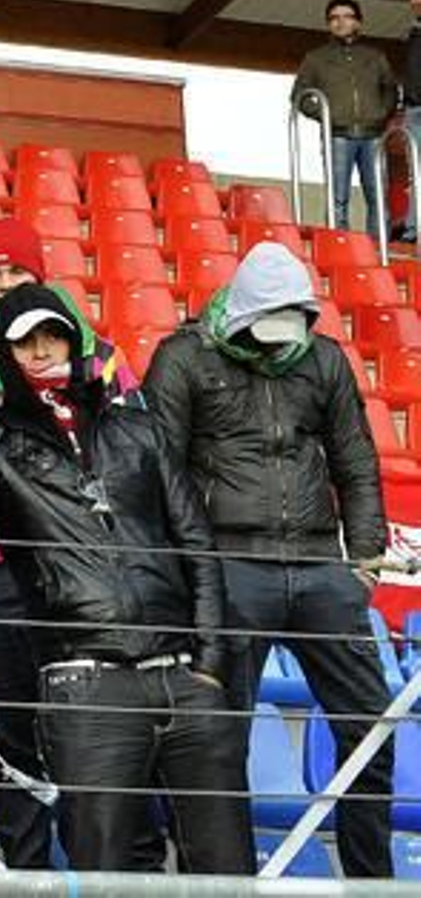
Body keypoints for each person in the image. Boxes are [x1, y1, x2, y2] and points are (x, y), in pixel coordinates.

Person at [0, 283, 254, 874]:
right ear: (3, 354)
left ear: (74, 340)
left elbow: (196, 541)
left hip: (185, 676)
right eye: (24, 342)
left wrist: (212, 662)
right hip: (86, 682)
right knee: (109, 871)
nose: (41, 351)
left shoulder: (139, 429)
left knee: (227, 874)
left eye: (53, 335)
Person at [143, 241, 394, 877]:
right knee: (216, 742)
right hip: (230, 564)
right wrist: (190, 570)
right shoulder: (183, 358)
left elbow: (356, 462)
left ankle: (372, 882)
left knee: (370, 729)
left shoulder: (327, 360)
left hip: (321, 567)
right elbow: (158, 472)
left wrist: (363, 559)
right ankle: (219, 882)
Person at [0, 216, 143, 869]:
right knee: (9, 738)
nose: (5, 282)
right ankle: (25, 874)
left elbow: (134, 455)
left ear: (40, 275)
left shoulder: (98, 358)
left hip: (80, 575)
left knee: (87, 731)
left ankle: (98, 875)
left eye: (17, 270)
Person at [292, 0, 398, 236]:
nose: (340, 22)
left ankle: (378, 249)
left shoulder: (375, 56)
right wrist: (328, 116)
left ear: (358, 23)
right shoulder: (315, 58)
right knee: (337, 198)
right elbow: (300, 96)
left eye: (347, 17)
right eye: (334, 18)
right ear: (328, 24)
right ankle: (340, 247)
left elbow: (390, 88)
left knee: (378, 196)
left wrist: (381, 114)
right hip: (337, 136)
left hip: (373, 136)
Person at [398, 0, 421, 241]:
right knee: (416, 171)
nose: (416, 0)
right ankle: (414, 228)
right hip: (414, 110)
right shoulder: (412, 33)